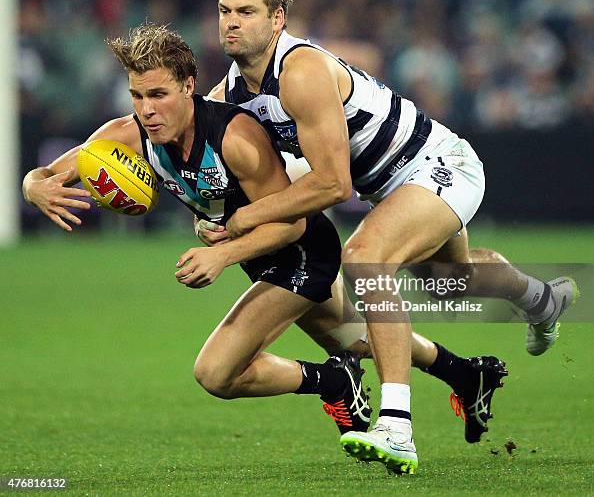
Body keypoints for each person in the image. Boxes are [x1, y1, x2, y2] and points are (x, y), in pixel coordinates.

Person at [21, 24, 506, 466]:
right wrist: (34, 185)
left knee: (215, 373)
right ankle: (465, 374)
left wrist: (222, 251)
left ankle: (333, 382)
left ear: (188, 87)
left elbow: (292, 224)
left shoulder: (234, 137)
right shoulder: (126, 135)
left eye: (158, 95)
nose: (147, 110)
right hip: (259, 258)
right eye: (136, 96)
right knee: (363, 338)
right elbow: (51, 172)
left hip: (299, 254)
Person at [208, 0, 578, 473]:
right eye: (225, 10)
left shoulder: (302, 70)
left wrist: (247, 220)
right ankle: (544, 301)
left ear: (278, 17)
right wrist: (210, 213)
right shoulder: (229, 94)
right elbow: (208, 162)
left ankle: (397, 426)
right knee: (453, 279)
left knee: (364, 258)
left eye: (246, 11)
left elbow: (334, 184)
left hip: (438, 163)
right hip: (393, 188)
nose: (231, 22)